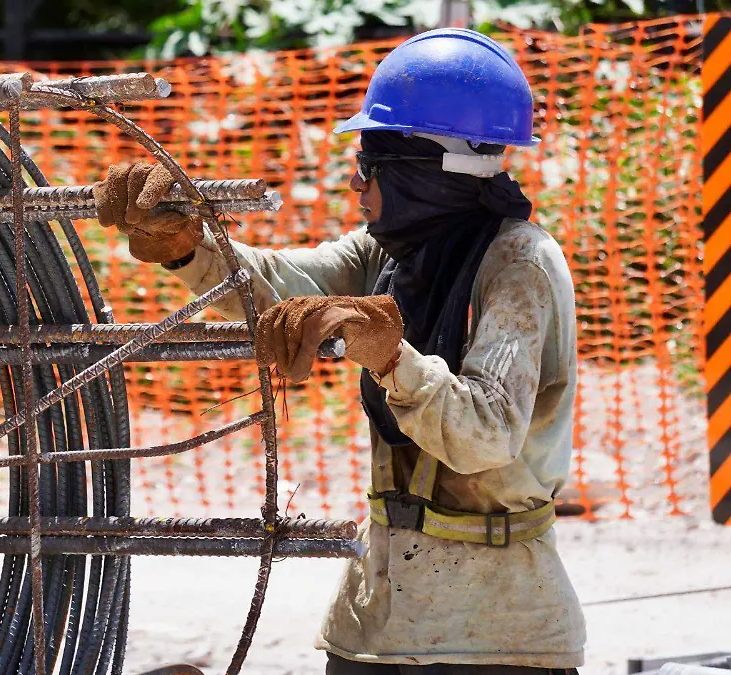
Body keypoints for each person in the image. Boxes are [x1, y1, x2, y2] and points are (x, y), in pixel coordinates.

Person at [93, 28, 586, 674]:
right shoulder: (391, 256)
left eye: (370, 167)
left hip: (497, 633)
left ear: (423, 172)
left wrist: (391, 358)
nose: (359, 186)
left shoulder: (519, 263)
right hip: (378, 622)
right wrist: (190, 245)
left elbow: (489, 433)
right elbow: (279, 287)